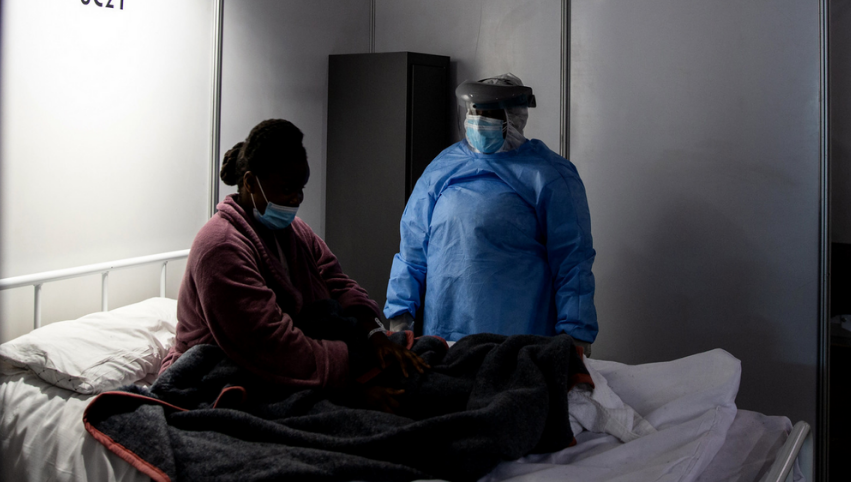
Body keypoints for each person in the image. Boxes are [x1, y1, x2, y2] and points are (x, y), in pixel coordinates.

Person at [161, 118, 426, 394]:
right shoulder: (220, 248)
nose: (296, 199)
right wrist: (352, 390)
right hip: (221, 370)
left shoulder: (296, 232)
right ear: (250, 183)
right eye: (287, 189)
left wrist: (375, 334)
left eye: (301, 189)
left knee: (421, 370)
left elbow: (339, 284)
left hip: (301, 359)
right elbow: (267, 343)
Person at [385, 74, 598, 352]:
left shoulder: (549, 175)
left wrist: (576, 335)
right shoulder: (442, 168)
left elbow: (572, 262)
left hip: (520, 343)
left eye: (490, 114)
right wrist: (400, 316)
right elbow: (412, 251)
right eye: (475, 113)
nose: (479, 120)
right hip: (444, 337)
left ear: (514, 118)